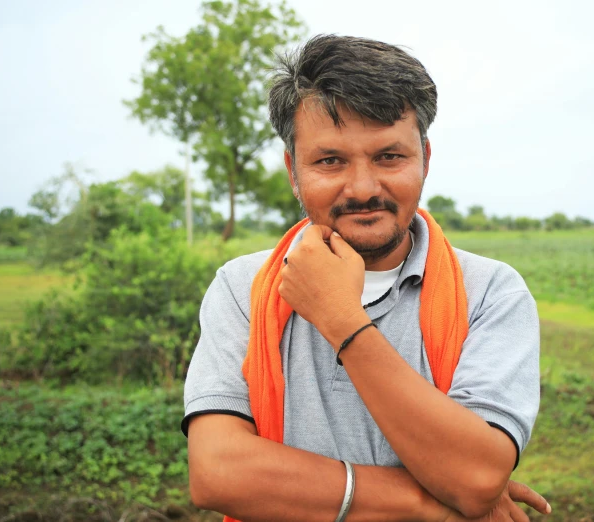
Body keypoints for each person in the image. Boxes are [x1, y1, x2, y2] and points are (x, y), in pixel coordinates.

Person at [182, 35, 549, 522]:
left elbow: (476, 477)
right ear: (294, 170)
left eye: (389, 156)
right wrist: (422, 501)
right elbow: (218, 473)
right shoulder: (242, 288)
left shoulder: (490, 292)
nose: (362, 188)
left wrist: (341, 318)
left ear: (425, 158)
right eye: (330, 161)